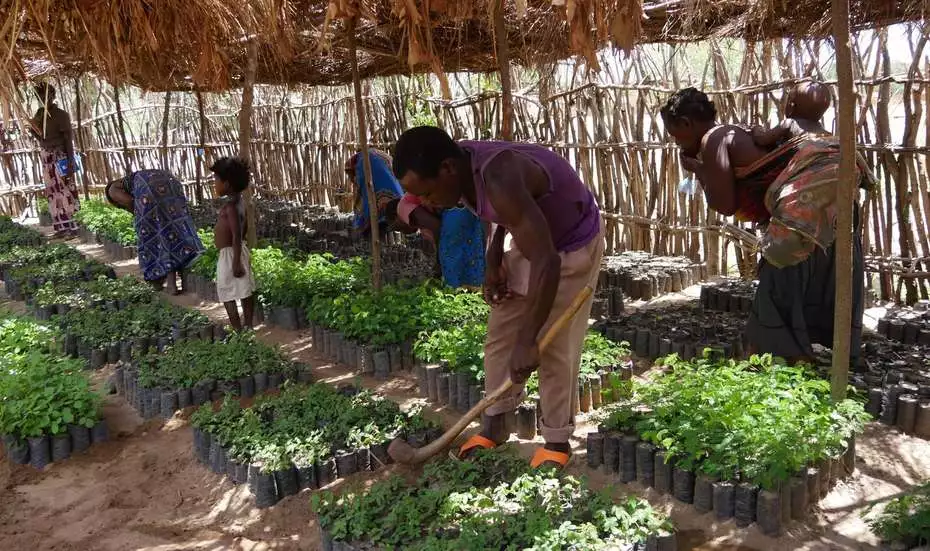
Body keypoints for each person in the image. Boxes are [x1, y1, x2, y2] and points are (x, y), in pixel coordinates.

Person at [393, 126, 604, 470]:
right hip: (535, 236)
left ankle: (556, 441)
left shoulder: (498, 177)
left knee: (551, 343)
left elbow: (547, 262)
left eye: (428, 193)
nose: (428, 203)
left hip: (570, 244)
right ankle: (495, 424)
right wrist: (494, 261)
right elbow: (498, 214)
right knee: (500, 333)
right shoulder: (461, 166)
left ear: (446, 169)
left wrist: (528, 340)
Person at [661, 87, 871, 366]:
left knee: (780, 284)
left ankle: (788, 358)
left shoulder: (714, 140)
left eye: (674, 134)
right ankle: (831, 352)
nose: (675, 142)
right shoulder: (743, 131)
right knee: (823, 281)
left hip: (799, 221)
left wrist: (699, 170)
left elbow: (723, 204)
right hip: (832, 218)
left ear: (686, 124)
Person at [105, 169, 204, 294]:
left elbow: (130, 202)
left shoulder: (111, 189)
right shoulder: (134, 179)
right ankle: (184, 284)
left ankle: (168, 285)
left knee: (158, 238)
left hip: (151, 192)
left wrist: (138, 216)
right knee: (177, 234)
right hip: (172, 185)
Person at [386, 193, 486, 288]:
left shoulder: (402, 208)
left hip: (456, 210)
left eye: (397, 228)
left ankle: (457, 292)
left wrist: (439, 261)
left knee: (451, 259)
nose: (401, 232)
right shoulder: (420, 216)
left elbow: (436, 226)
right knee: (470, 254)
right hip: (465, 207)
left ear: (395, 216)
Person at [210, 157, 256, 331]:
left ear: (227, 184)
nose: (214, 184)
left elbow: (236, 235)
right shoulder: (239, 203)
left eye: (216, 180)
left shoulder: (230, 207)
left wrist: (236, 262)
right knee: (244, 289)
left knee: (226, 291)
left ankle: (239, 329)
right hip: (236, 252)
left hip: (231, 254)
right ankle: (247, 327)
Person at [30, 83, 80, 237]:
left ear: (52, 96)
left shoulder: (61, 115)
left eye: (45, 96)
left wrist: (70, 159)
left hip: (60, 156)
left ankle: (74, 227)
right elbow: (40, 138)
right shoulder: (39, 114)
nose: (43, 100)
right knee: (53, 193)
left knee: (65, 191)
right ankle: (61, 227)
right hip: (46, 158)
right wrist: (33, 131)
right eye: (39, 97)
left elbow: (68, 138)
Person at [752, 81, 832, 147]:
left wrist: (757, 128)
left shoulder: (790, 123)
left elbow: (762, 140)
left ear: (792, 105)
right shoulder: (820, 127)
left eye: (788, 100)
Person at [346, 148, 403, 238]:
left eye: (351, 174)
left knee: (368, 201)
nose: (351, 179)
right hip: (396, 196)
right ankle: (390, 221)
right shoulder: (377, 156)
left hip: (380, 194)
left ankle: (375, 226)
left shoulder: (361, 163)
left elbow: (362, 191)